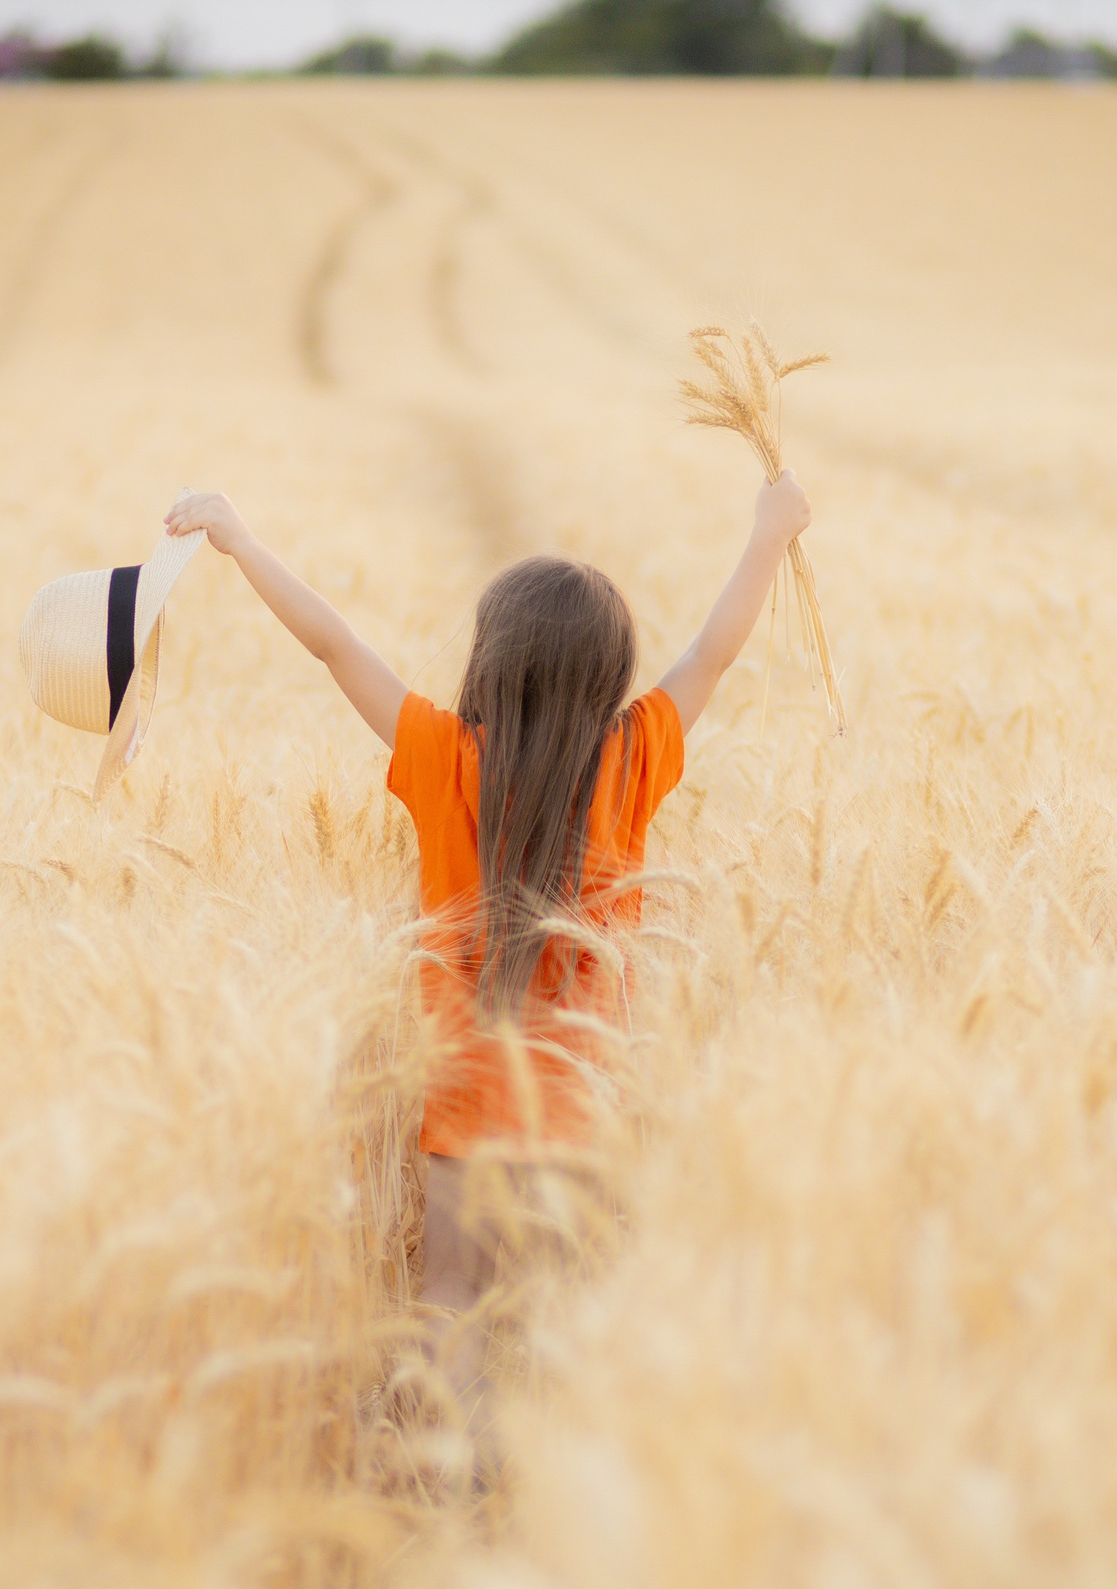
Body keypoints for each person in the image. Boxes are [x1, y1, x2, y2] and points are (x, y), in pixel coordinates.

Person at [163, 474, 814, 1453]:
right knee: (563, 1312)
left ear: (491, 662)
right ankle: (560, 1485)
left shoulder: (441, 759)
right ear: (609, 676)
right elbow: (712, 654)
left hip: (464, 1104)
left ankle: (455, 1479)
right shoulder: (634, 759)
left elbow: (335, 645)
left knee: (451, 1295)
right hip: (581, 1110)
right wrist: (770, 533)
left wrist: (240, 543)